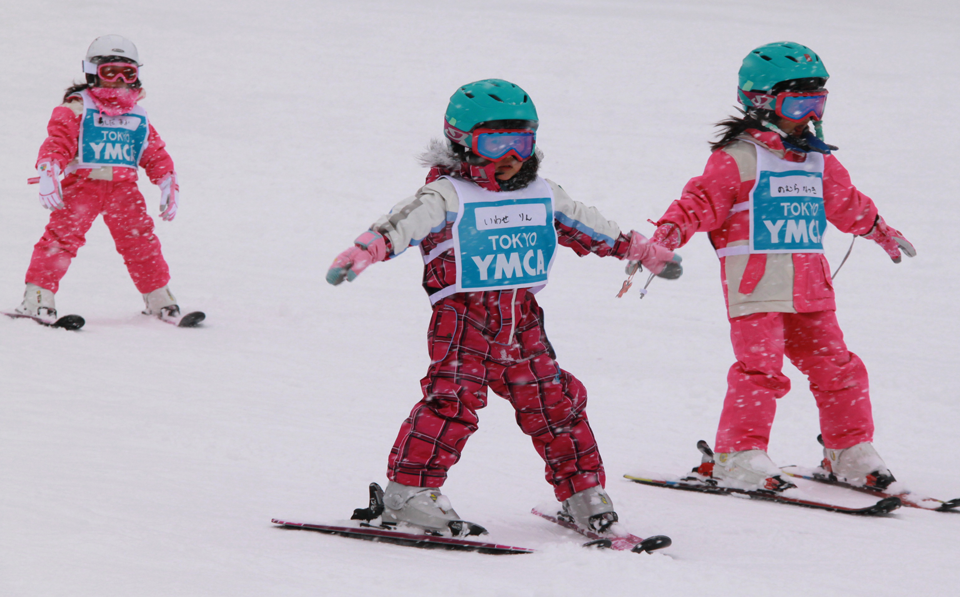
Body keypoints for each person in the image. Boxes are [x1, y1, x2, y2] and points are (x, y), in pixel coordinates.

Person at [327, 79, 681, 536]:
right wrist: (364, 251)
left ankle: (581, 491)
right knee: (452, 401)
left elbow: (589, 226)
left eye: (522, 140)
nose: (511, 155)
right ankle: (408, 494)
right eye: (495, 141)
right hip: (463, 319)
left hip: (522, 319)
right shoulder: (448, 195)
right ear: (462, 144)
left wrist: (642, 250)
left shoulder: (542, 193)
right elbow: (403, 223)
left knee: (556, 404)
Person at [648, 42, 915, 491]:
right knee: (761, 370)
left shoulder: (818, 158)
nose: (809, 111)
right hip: (755, 287)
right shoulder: (738, 158)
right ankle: (738, 453)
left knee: (839, 366)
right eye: (798, 100)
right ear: (760, 101)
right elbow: (698, 203)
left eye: (817, 99)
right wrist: (665, 238)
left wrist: (876, 228)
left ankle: (848, 449)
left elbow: (845, 202)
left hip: (811, 285)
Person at [14, 34, 184, 323]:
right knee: (61, 239)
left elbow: (152, 151)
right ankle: (38, 296)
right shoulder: (77, 108)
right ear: (93, 73)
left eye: (127, 73)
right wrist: (49, 168)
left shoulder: (137, 115)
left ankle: (158, 296)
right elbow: (58, 141)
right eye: (109, 72)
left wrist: (167, 178)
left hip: (124, 190)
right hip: (83, 187)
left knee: (141, 241)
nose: (118, 79)